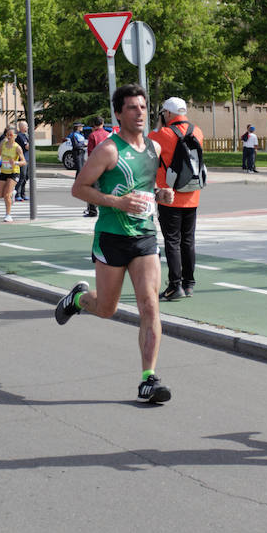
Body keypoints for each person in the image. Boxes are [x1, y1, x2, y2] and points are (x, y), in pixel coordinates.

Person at [55, 84, 175, 403]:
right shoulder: (108, 150)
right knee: (107, 309)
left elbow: (149, 189)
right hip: (111, 236)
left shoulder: (154, 149)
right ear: (119, 113)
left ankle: (148, 378)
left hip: (145, 236)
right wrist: (117, 202)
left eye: (143, 107)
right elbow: (79, 188)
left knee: (149, 303)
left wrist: (162, 196)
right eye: (132, 108)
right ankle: (79, 299)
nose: (139, 113)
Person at [150, 97, 204, 300]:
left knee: (172, 241)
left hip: (168, 194)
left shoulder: (161, 134)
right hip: (192, 194)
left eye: (163, 113)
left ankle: (175, 285)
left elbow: (149, 149)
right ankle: (189, 284)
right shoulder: (197, 131)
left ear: (168, 114)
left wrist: (159, 126)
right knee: (188, 240)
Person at [0, 126, 26, 223]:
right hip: (4, 171)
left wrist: (15, 163)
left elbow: (24, 162)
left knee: (6, 195)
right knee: (0, 194)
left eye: (11, 135)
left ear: (15, 136)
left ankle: (8, 215)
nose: (8, 136)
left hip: (14, 172)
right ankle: (13, 193)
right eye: (7, 134)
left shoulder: (17, 148)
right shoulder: (3, 144)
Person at [84, 116, 108, 217]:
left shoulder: (92, 135)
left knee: (92, 188)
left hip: (96, 164)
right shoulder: (108, 134)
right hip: (108, 163)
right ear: (102, 123)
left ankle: (93, 210)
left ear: (94, 124)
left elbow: (90, 152)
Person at [14, 120, 30, 202]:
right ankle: (17, 194)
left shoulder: (26, 135)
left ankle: (23, 194)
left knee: (26, 177)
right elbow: (27, 147)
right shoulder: (20, 136)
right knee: (22, 177)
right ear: (22, 127)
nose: (27, 127)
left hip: (27, 159)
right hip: (22, 159)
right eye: (26, 126)